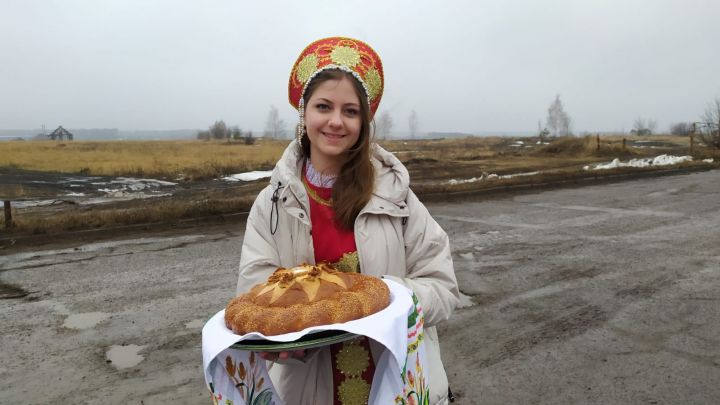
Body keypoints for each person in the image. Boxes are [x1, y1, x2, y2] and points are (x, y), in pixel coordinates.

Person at [236, 36, 460, 405]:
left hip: (397, 383)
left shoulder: (396, 195)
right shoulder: (272, 204)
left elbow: (441, 286)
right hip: (307, 388)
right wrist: (283, 337)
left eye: (351, 111)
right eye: (324, 106)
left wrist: (385, 297)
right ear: (304, 113)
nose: (336, 122)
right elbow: (256, 292)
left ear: (364, 121)